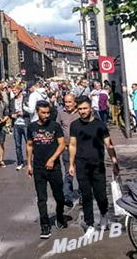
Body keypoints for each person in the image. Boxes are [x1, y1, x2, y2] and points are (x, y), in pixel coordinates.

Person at [69, 95, 120, 236]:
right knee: (85, 195)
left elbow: (109, 145)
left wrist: (114, 162)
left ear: (91, 108)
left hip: (97, 165)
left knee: (101, 195)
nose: (82, 111)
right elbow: (72, 145)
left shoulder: (100, 125)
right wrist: (71, 164)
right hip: (81, 165)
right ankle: (90, 224)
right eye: (79, 109)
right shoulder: (75, 125)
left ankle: (104, 215)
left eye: (85, 108)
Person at [27, 100, 66, 239]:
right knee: (41, 198)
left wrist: (52, 159)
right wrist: (29, 164)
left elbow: (62, 145)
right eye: (43, 113)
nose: (46, 115)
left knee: (59, 197)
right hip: (38, 167)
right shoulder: (31, 127)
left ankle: (60, 215)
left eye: (48, 112)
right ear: (37, 112)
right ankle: (45, 225)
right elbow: (30, 145)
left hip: (54, 167)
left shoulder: (55, 126)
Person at [56, 92, 79, 208]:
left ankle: (83, 193)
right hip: (66, 147)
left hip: (80, 148)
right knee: (68, 173)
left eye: (70, 102)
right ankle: (67, 196)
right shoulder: (61, 113)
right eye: (66, 102)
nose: (68, 104)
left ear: (75, 102)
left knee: (81, 172)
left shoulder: (80, 113)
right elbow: (57, 129)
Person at [10, 85, 27, 170]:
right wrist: (11, 115)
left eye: (15, 90)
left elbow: (31, 110)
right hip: (16, 124)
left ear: (19, 90)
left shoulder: (26, 98)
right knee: (17, 145)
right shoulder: (12, 100)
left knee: (29, 144)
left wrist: (23, 113)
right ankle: (20, 162)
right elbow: (10, 111)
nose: (14, 92)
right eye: (13, 91)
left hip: (25, 124)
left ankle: (32, 162)